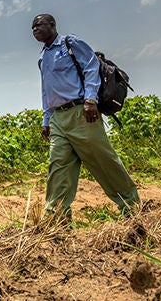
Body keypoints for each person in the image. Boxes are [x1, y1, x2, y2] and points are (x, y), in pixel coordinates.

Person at [32, 13, 140, 220]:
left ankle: (132, 206)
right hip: (58, 118)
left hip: (81, 112)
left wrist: (91, 100)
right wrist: (46, 121)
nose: (35, 29)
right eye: (32, 28)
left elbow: (91, 67)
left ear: (52, 25)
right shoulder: (42, 57)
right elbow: (46, 91)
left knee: (102, 160)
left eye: (39, 25)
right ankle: (56, 217)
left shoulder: (70, 43)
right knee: (58, 166)